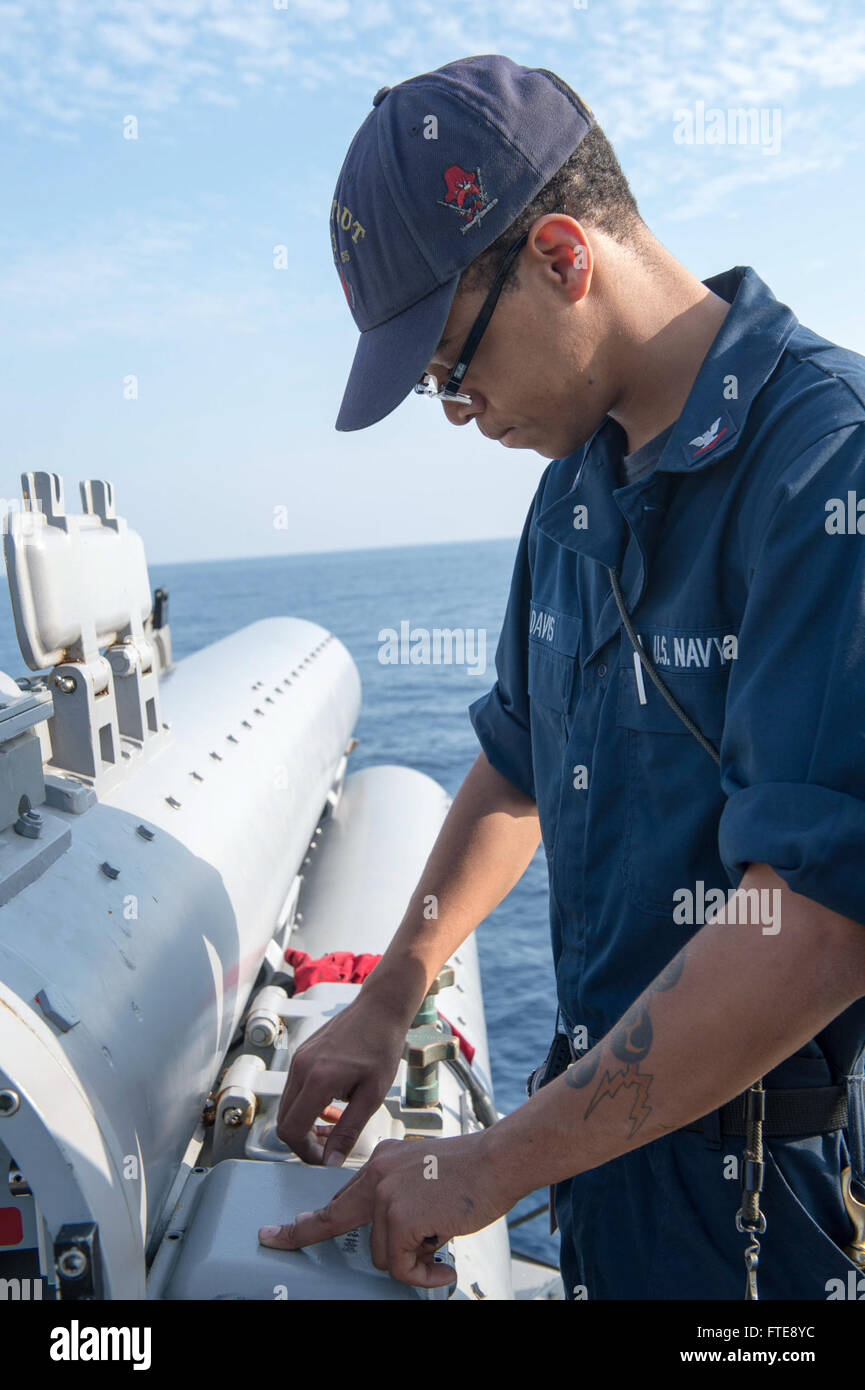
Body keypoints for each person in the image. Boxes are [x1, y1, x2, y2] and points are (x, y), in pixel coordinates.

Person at [258, 54, 865, 1300]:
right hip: (608, 1173)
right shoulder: (570, 494)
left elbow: (812, 926)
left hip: (770, 1222)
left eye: (447, 365)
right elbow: (515, 767)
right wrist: (391, 997)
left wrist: (493, 1161)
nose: (457, 405)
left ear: (559, 256)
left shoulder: (826, 469)